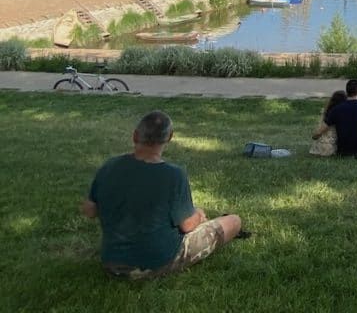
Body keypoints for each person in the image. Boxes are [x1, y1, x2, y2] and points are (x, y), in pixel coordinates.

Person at [80, 110, 244, 279]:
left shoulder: (109, 166)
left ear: (135, 135)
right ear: (170, 137)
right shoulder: (173, 175)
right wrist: (199, 215)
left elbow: (90, 210)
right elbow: (187, 226)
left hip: (111, 262)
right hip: (156, 263)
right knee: (233, 221)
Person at [310, 90, 347, 156]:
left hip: (318, 147)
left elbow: (317, 133)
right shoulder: (337, 113)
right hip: (330, 148)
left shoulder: (326, 112)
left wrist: (314, 138)